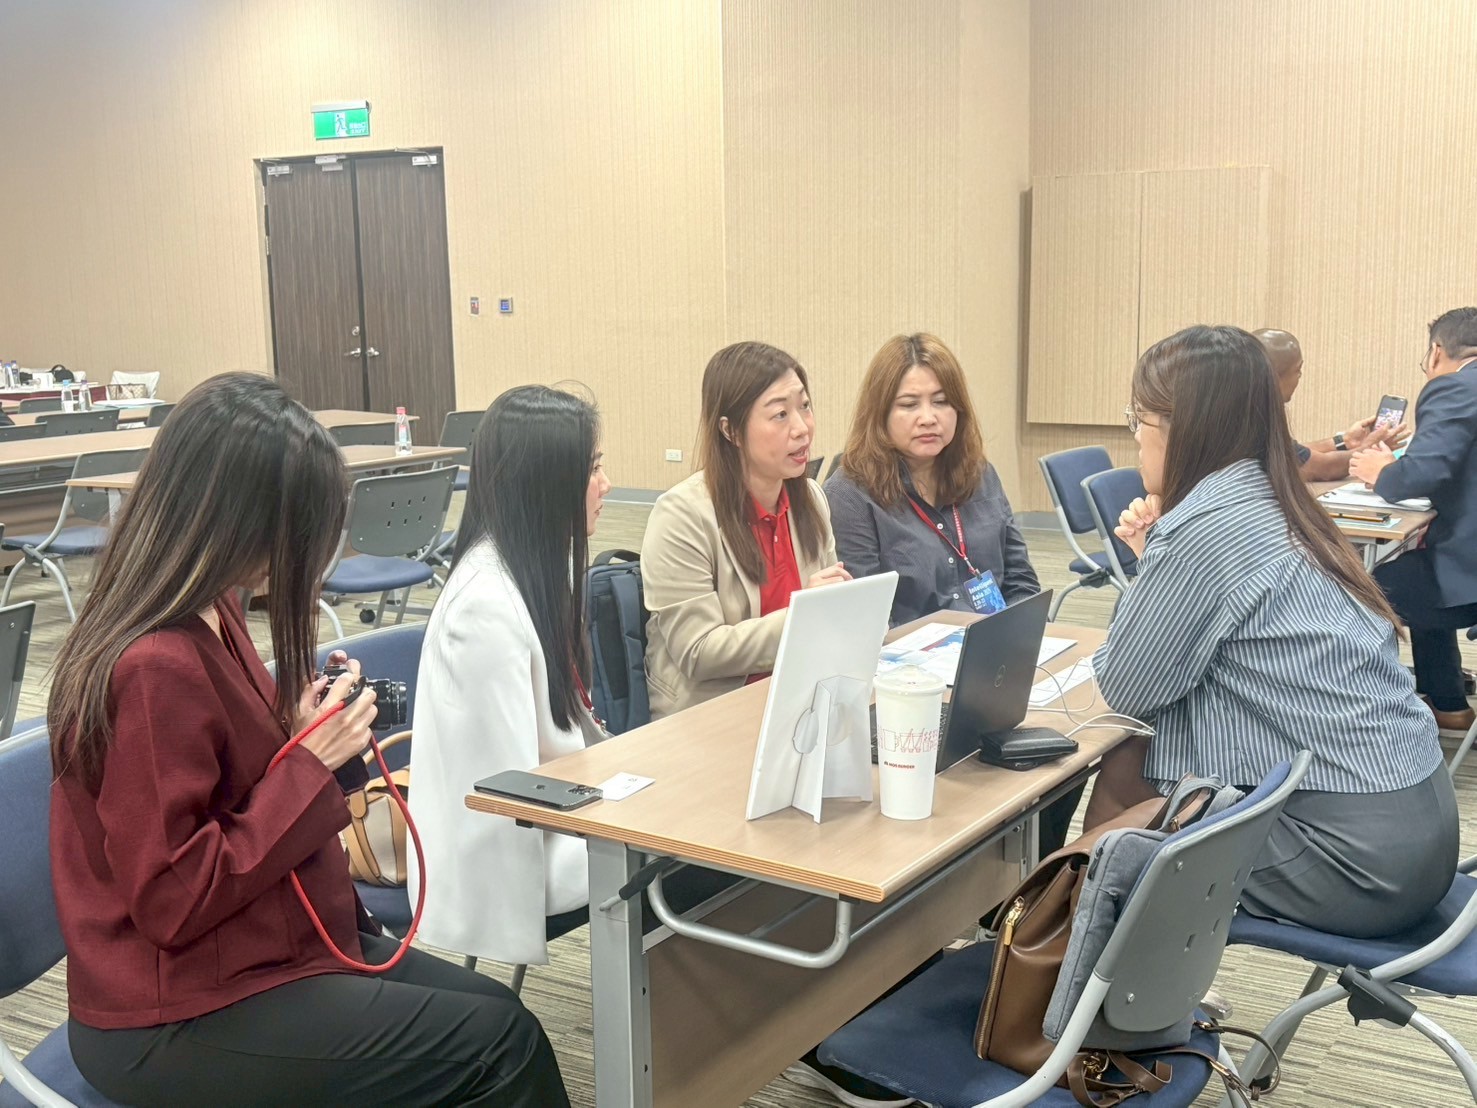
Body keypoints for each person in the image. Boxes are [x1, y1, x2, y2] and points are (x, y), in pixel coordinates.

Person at [48, 373, 569, 1107]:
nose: (300, 554)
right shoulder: (154, 665)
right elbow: (173, 900)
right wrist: (309, 762)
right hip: (173, 1011)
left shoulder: (211, 614)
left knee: (501, 1017)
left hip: (260, 946)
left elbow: (239, 795)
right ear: (228, 517)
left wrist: (302, 738)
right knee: (498, 1047)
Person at [1087, 326, 1455, 938]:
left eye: (1138, 420)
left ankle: (1058, 961)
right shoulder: (1275, 498)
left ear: (1181, 427)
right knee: (1141, 762)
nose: (1137, 438)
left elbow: (1127, 687)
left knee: (1126, 787)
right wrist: (1158, 562)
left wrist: (1155, 565)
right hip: (1419, 828)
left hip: (1358, 865)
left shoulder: (1206, 527)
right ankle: (1080, 957)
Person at [409, 386, 610, 968]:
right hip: (507, 847)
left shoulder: (530, 567)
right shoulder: (484, 606)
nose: (606, 485)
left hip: (554, 810)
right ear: (547, 482)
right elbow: (507, 790)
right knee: (691, 860)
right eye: (592, 468)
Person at [642, 340, 850, 718]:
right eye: (780, 414)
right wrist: (803, 616)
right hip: (710, 716)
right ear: (731, 431)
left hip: (800, 703)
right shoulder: (682, 515)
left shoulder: (811, 499)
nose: (802, 428)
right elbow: (698, 651)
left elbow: (831, 612)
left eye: (804, 406)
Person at [826, 333, 1039, 626]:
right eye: (909, 404)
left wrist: (1020, 635)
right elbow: (866, 619)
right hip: (908, 652)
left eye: (941, 401)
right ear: (880, 413)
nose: (928, 418)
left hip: (994, 644)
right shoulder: (849, 495)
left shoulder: (980, 473)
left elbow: (1021, 581)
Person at [1352, 307, 1477, 734]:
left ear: (1436, 352)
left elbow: (1423, 472)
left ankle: (1377, 711)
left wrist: (1383, 471)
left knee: (1365, 584)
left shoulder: (1455, 387)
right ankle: (1448, 703)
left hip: (1470, 576)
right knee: (1418, 566)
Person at [1253, 327, 1407, 480]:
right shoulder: (1258, 417)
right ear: (1273, 376)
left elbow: (1290, 453)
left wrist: (1344, 441)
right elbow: (1324, 468)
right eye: (1298, 369)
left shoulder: (1248, 403)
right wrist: (1370, 448)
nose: (1300, 375)